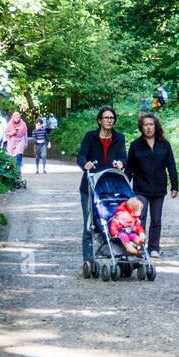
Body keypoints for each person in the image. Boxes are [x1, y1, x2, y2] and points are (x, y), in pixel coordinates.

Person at [76, 107, 127, 270]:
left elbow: (123, 157)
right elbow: (81, 156)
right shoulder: (90, 137)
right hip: (90, 187)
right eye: (106, 117)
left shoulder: (119, 138)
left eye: (112, 117)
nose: (109, 120)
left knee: (114, 222)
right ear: (99, 120)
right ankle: (89, 260)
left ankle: (120, 257)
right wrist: (85, 164)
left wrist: (121, 163)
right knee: (90, 224)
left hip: (110, 188)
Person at [127, 112, 179, 259]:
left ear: (156, 126)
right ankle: (140, 246)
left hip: (158, 189)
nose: (149, 128)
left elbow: (171, 166)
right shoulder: (135, 145)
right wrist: (124, 189)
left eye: (151, 124)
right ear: (141, 127)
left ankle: (154, 248)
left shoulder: (165, 144)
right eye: (145, 125)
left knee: (156, 219)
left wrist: (174, 186)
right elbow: (129, 169)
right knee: (140, 218)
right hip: (140, 189)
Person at [4, 110, 28, 178]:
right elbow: (6, 133)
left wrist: (26, 142)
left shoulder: (23, 124)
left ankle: (18, 173)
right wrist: (12, 132)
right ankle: (11, 173)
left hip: (20, 140)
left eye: (19, 117)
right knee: (11, 158)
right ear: (13, 117)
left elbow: (25, 133)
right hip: (11, 142)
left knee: (18, 156)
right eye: (16, 117)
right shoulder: (10, 124)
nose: (17, 119)